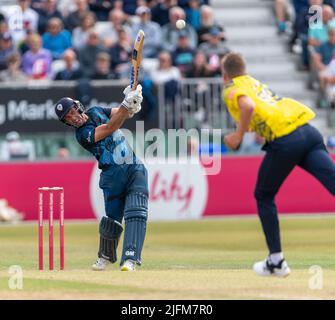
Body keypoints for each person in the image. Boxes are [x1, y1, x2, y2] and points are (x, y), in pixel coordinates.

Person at [221, 52, 335, 277]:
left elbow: (248, 107)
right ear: (244, 68)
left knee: (263, 195)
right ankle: (275, 261)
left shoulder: (231, 88)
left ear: (224, 74)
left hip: (285, 140)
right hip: (308, 131)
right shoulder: (252, 81)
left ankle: (276, 261)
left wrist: (238, 135)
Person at [54, 84, 148, 272]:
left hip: (133, 167)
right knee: (112, 220)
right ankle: (105, 257)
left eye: (72, 112)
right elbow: (112, 126)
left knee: (136, 212)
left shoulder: (96, 110)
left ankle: (130, 259)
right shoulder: (82, 135)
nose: (73, 117)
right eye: (68, 118)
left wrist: (133, 104)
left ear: (78, 106)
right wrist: (126, 104)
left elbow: (122, 114)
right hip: (112, 175)